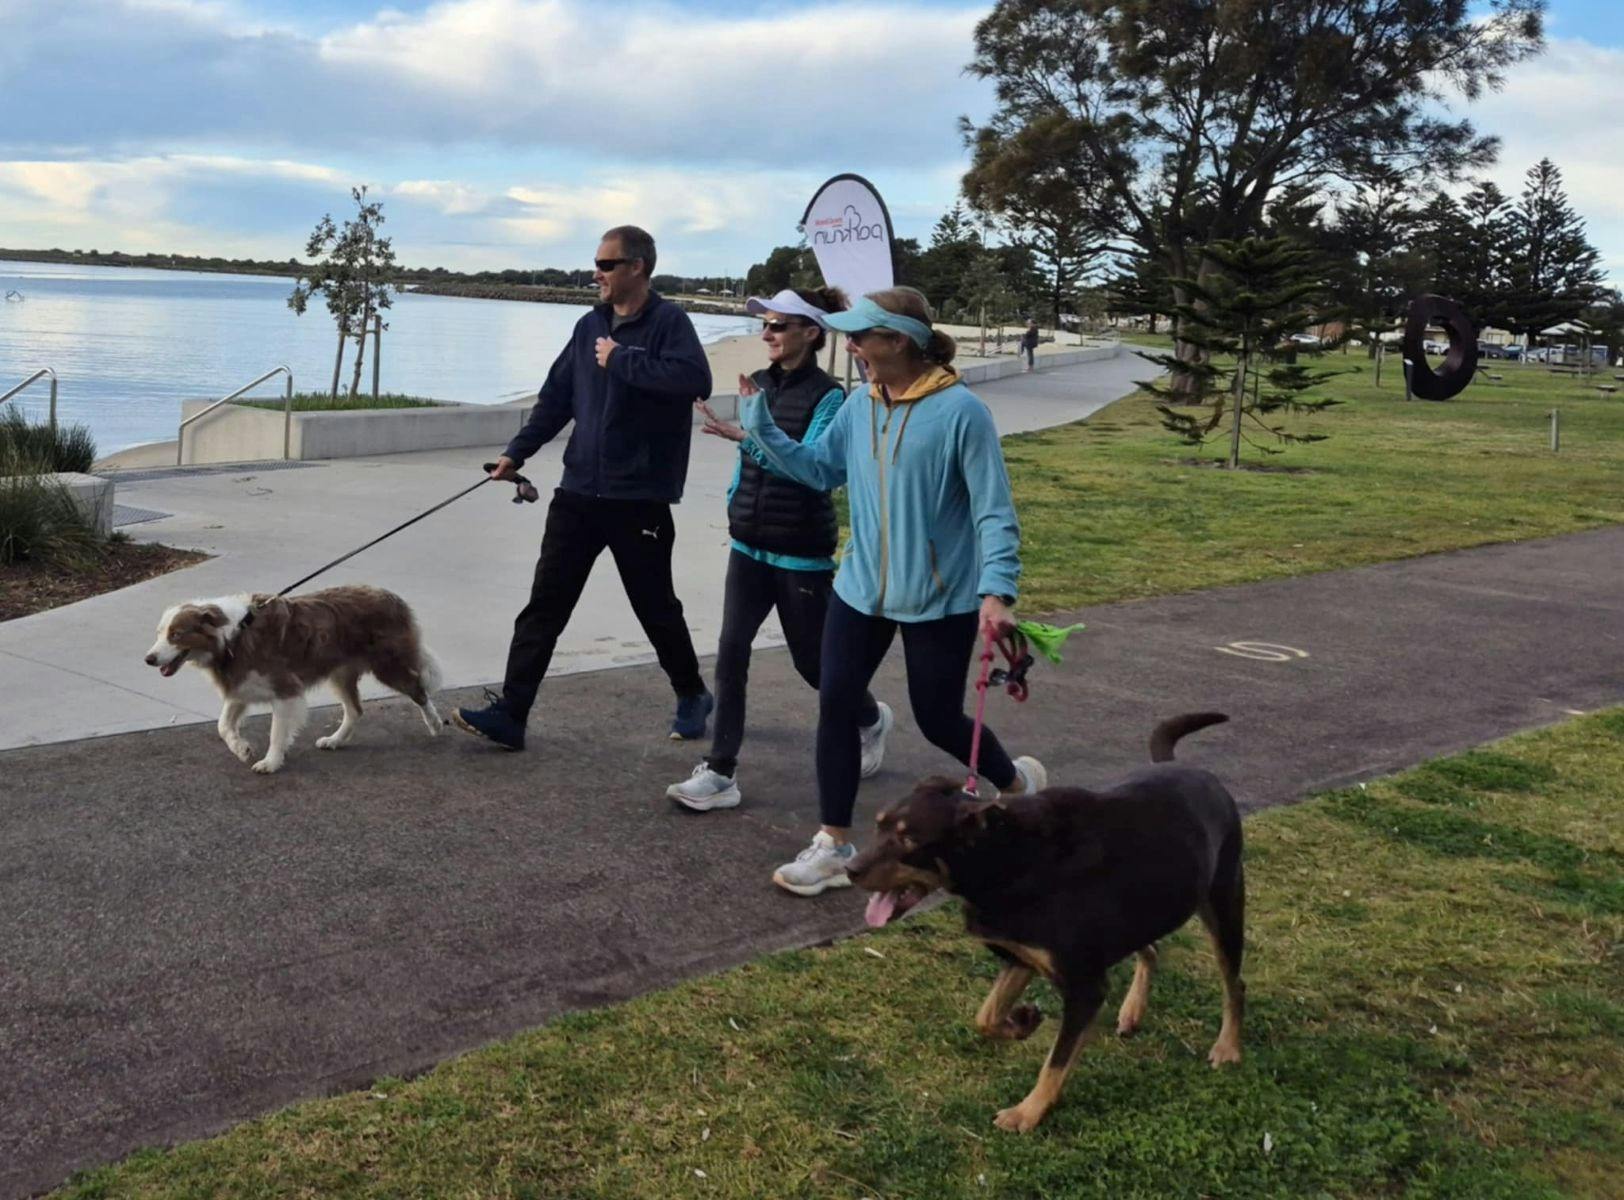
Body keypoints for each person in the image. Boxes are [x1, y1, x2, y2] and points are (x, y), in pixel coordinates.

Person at [717, 286, 1046, 896]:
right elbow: (819, 469)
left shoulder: (960, 413)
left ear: (899, 342)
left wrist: (996, 591)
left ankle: (1017, 783)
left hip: (938, 597)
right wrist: (759, 426)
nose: (853, 345)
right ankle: (833, 844)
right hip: (858, 588)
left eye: (862, 336)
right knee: (836, 703)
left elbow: (993, 511)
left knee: (938, 717)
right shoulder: (860, 405)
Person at [454, 226, 714, 751]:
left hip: (638, 495)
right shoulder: (587, 325)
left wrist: (622, 359)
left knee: (654, 606)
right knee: (544, 606)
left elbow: (694, 381)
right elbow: (556, 398)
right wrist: (516, 452)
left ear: (638, 267)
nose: (596, 272)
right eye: (596, 262)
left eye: (607, 263)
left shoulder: (669, 323)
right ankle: (512, 713)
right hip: (577, 493)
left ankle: (692, 693)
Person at [667, 288, 893, 812]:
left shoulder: (830, 397)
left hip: (801, 551)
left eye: (777, 325)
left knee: (813, 666)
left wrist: (746, 437)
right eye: (764, 325)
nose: (766, 334)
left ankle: (870, 718)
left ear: (810, 333)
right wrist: (738, 475)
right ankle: (721, 772)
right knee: (731, 653)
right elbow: (756, 455)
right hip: (749, 542)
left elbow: (811, 467)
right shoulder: (761, 384)